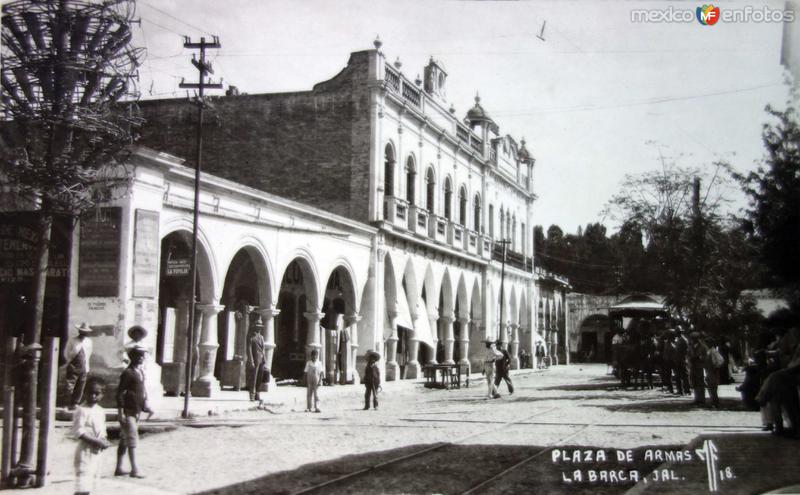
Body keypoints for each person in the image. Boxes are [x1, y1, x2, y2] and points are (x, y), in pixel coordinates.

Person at [116, 344, 153, 479]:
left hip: (136, 410)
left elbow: (141, 392)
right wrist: (120, 412)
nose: (141, 358)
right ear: (132, 357)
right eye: (138, 355)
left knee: (124, 440)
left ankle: (119, 467)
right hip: (128, 411)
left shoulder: (141, 372)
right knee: (132, 439)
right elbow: (120, 393)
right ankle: (135, 469)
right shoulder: (128, 373)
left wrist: (146, 407)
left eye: (142, 356)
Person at [69, 377, 110, 495]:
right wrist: (95, 441)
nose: (93, 396)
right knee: (83, 485)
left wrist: (104, 439)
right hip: (85, 452)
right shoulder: (81, 410)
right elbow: (78, 431)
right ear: (85, 393)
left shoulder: (100, 411)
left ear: (102, 395)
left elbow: (102, 429)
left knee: (93, 483)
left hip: (96, 453)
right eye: (90, 393)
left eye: (97, 393)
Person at [63, 322, 94, 409]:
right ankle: (67, 403)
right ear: (79, 331)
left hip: (84, 367)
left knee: (80, 386)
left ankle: (75, 403)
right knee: (69, 386)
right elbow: (66, 352)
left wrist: (85, 364)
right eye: (82, 331)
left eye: (85, 332)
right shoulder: (73, 340)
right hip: (73, 366)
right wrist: (70, 361)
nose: (83, 333)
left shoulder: (89, 342)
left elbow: (89, 353)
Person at [246, 320, 268, 402]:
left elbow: (263, 349)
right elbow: (249, 349)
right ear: (254, 327)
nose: (259, 329)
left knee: (260, 377)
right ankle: (252, 394)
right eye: (257, 327)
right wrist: (251, 360)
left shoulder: (261, 337)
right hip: (255, 360)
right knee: (254, 378)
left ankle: (258, 393)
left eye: (260, 327)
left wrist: (264, 359)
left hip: (261, 359)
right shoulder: (251, 337)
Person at [688, 331, 709, 406]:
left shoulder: (703, 346)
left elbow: (706, 356)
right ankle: (696, 399)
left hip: (700, 367)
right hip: (693, 366)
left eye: (693, 338)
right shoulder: (691, 346)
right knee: (694, 383)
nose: (692, 340)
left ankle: (702, 400)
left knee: (700, 383)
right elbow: (688, 355)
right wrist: (690, 359)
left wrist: (699, 358)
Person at [674, 326, 691, 395]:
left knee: (684, 376)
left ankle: (687, 390)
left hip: (682, 360)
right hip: (678, 359)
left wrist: (684, 359)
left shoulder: (683, 340)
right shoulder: (678, 339)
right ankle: (680, 390)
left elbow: (686, 351)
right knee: (678, 375)